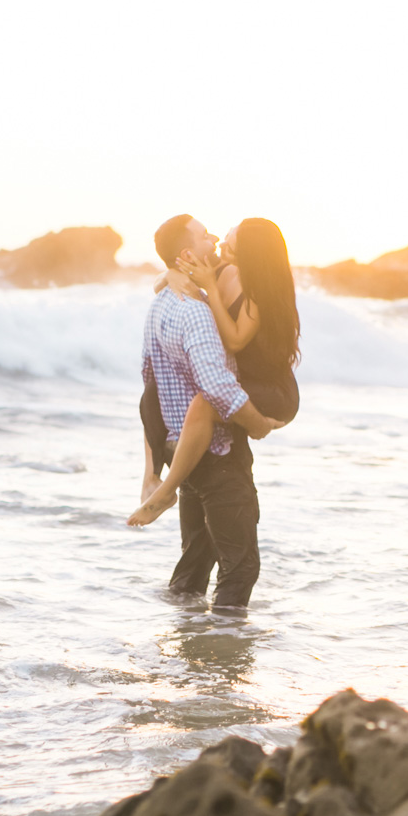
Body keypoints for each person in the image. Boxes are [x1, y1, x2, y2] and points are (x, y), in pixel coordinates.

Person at [132, 214, 284, 609]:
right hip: (216, 454)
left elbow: (150, 380)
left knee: (195, 562)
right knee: (241, 568)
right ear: (187, 252)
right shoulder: (198, 312)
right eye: (206, 236)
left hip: (184, 451)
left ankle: (186, 649)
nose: (215, 241)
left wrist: (171, 275)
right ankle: (222, 660)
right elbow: (216, 389)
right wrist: (257, 424)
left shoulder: (161, 304)